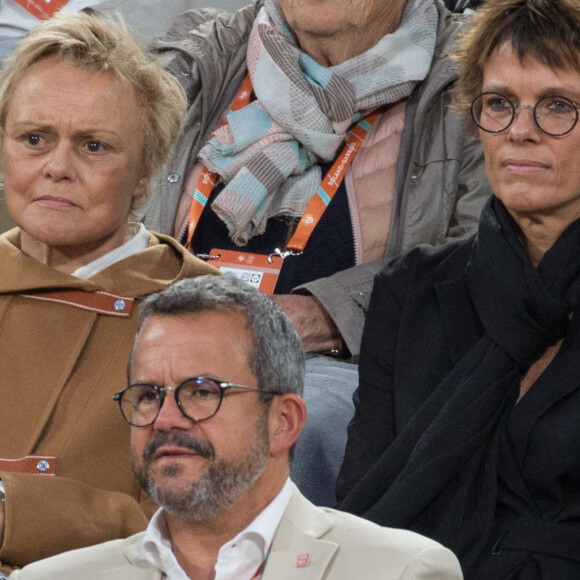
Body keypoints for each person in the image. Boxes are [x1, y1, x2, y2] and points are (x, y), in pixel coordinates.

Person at [142, 0, 491, 506]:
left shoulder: (476, 75)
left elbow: (487, 252)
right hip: (162, 344)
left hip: (344, 365)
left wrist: (324, 314)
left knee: (276, 426)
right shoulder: (196, 56)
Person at [336, 0, 580, 578]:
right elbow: (362, 501)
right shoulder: (411, 289)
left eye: (558, 107)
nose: (520, 131)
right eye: (498, 104)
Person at [9, 275, 463, 580]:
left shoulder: (400, 571)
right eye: (148, 395)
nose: (165, 419)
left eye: (202, 391)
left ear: (282, 422)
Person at [0, 10, 217, 574]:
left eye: (94, 146)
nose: (56, 168)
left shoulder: (208, 314)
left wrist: (12, 512)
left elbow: (201, 529)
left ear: (146, 171)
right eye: (33, 139)